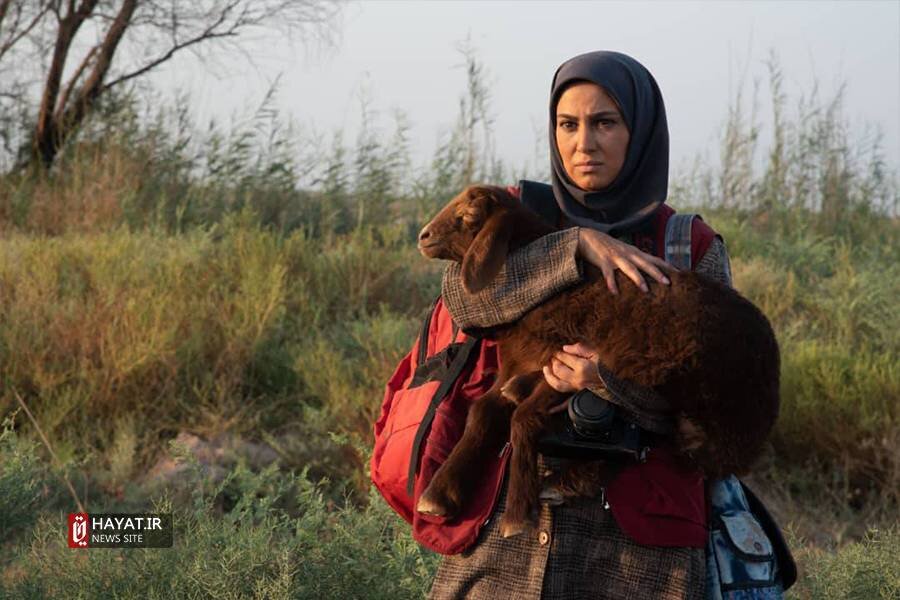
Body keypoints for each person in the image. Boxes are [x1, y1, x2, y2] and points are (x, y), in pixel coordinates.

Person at [426, 51, 734, 599]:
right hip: (506, 535)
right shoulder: (521, 213)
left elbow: (716, 403)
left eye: (605, 123)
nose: (583, 143)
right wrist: (574, 246)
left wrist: (606, 380)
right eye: (567, 124)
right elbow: (464, 303)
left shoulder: (688, 247)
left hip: (640, 549)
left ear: (639, 132)